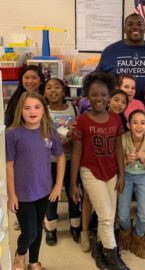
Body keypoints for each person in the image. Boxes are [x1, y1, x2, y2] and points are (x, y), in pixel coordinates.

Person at [70, 72, 129, 270]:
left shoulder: (115, 119)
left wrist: (122, 174)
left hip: (111, 171)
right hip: (90, 171)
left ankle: (99, 249)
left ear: (109, 96)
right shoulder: (83, 121)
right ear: (87, 95)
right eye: (94, 95)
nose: (99, 99)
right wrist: (72, 184)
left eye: (103, 95)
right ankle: (114, 258)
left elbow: (119, 148)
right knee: (105, 216)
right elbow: (76, 154)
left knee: (110, 216)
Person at [6, 92, 65, 270]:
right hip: (22, 194)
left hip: (44, 190)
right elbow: (9, 165)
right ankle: (20, 254)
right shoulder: (12, 134)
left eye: (37, 107)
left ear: (44, 110)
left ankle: (33, 262)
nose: (32, 111)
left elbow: (61, 158)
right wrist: (11, 195)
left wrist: (57, 185)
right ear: (20, 111)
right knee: (29, 231)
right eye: (27, 107)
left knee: (38, 229)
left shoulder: (50, 132)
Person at [95, 13, 145, 103]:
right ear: (124, 29)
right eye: (130, 24)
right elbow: (97, 79)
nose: (135, 27)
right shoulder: (110, 51)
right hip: (117, 109)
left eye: (139, 24)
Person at [43, 78, 81, 246]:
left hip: (71, 160)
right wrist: (64, 140)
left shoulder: (74, 109)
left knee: (74, 191)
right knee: (51, 194)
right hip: (49, 161)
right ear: (44, 92)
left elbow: (79, 133)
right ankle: (51, 227)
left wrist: (73, 136)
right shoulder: (43, 111)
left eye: (57, 87)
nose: (53, 90)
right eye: (49, 87)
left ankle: (75, 224)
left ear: (64, 91)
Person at [118, 110, 145, 259]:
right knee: (122, 215)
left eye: (142, 123)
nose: (139, 126)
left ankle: (138, 238)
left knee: (144, 215)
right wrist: (126, 160)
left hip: (143, 176)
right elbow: (116, 163)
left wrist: (144, 161)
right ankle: (126, 236)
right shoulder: (122, 139)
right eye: (135, 123)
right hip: (126, 176)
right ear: (128, 125)